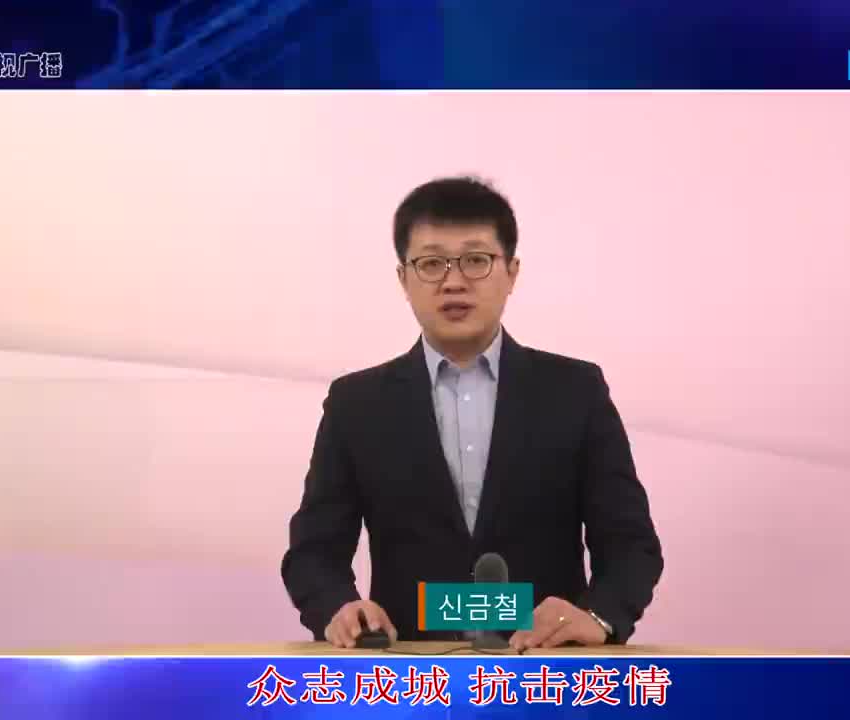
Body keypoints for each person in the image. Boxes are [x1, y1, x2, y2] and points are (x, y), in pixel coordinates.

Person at [281, 176, 663, 650]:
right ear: (403, 279)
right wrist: (338, 607)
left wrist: (598, 616)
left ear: (512, 273)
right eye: (431, 263)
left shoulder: (576, 391)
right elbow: (313, 552)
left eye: (476, 260)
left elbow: (631, 544)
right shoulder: (355, 404)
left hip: (545, 665)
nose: (454, 281)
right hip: (409, 668)